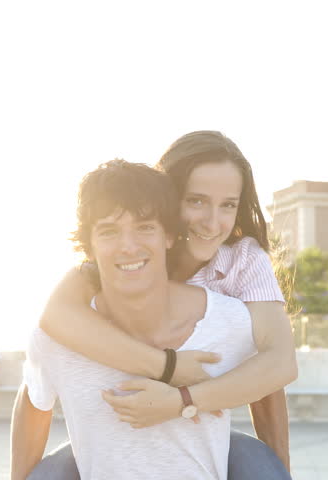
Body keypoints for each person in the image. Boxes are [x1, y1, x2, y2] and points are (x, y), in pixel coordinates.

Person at [35, 131, 297, 478]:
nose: (212, 222)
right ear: (169, 200)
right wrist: (168, 366)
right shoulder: (131, 254)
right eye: (197, 201)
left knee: (259, 465)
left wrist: (183, 401)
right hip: (116, 433)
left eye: (228, 205)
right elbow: (55, 317)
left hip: (200, 426)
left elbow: (276, 365)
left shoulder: (242, 262)